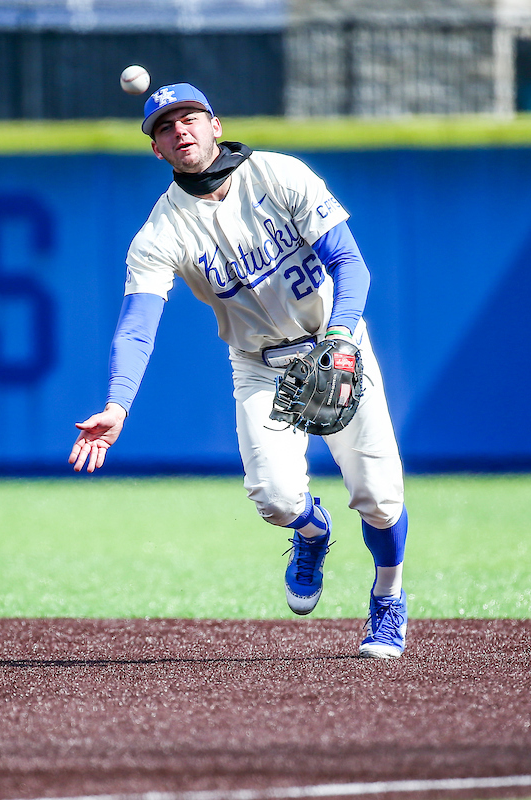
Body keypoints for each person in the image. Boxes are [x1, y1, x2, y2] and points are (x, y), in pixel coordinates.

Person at [68, 83, 409, 659]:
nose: (180, 129)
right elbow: (137, 325)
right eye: (165, 126)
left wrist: (342, 334)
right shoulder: (159, 233)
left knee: (379, 498)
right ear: (157, 151)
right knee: (275, 498)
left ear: (216, 125)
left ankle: (388, 598)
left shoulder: (279, 176)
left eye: (189, 117)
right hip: (261, 366)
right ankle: (311, 530)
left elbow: (351, 264)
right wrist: (118, 403)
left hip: (336, 344)